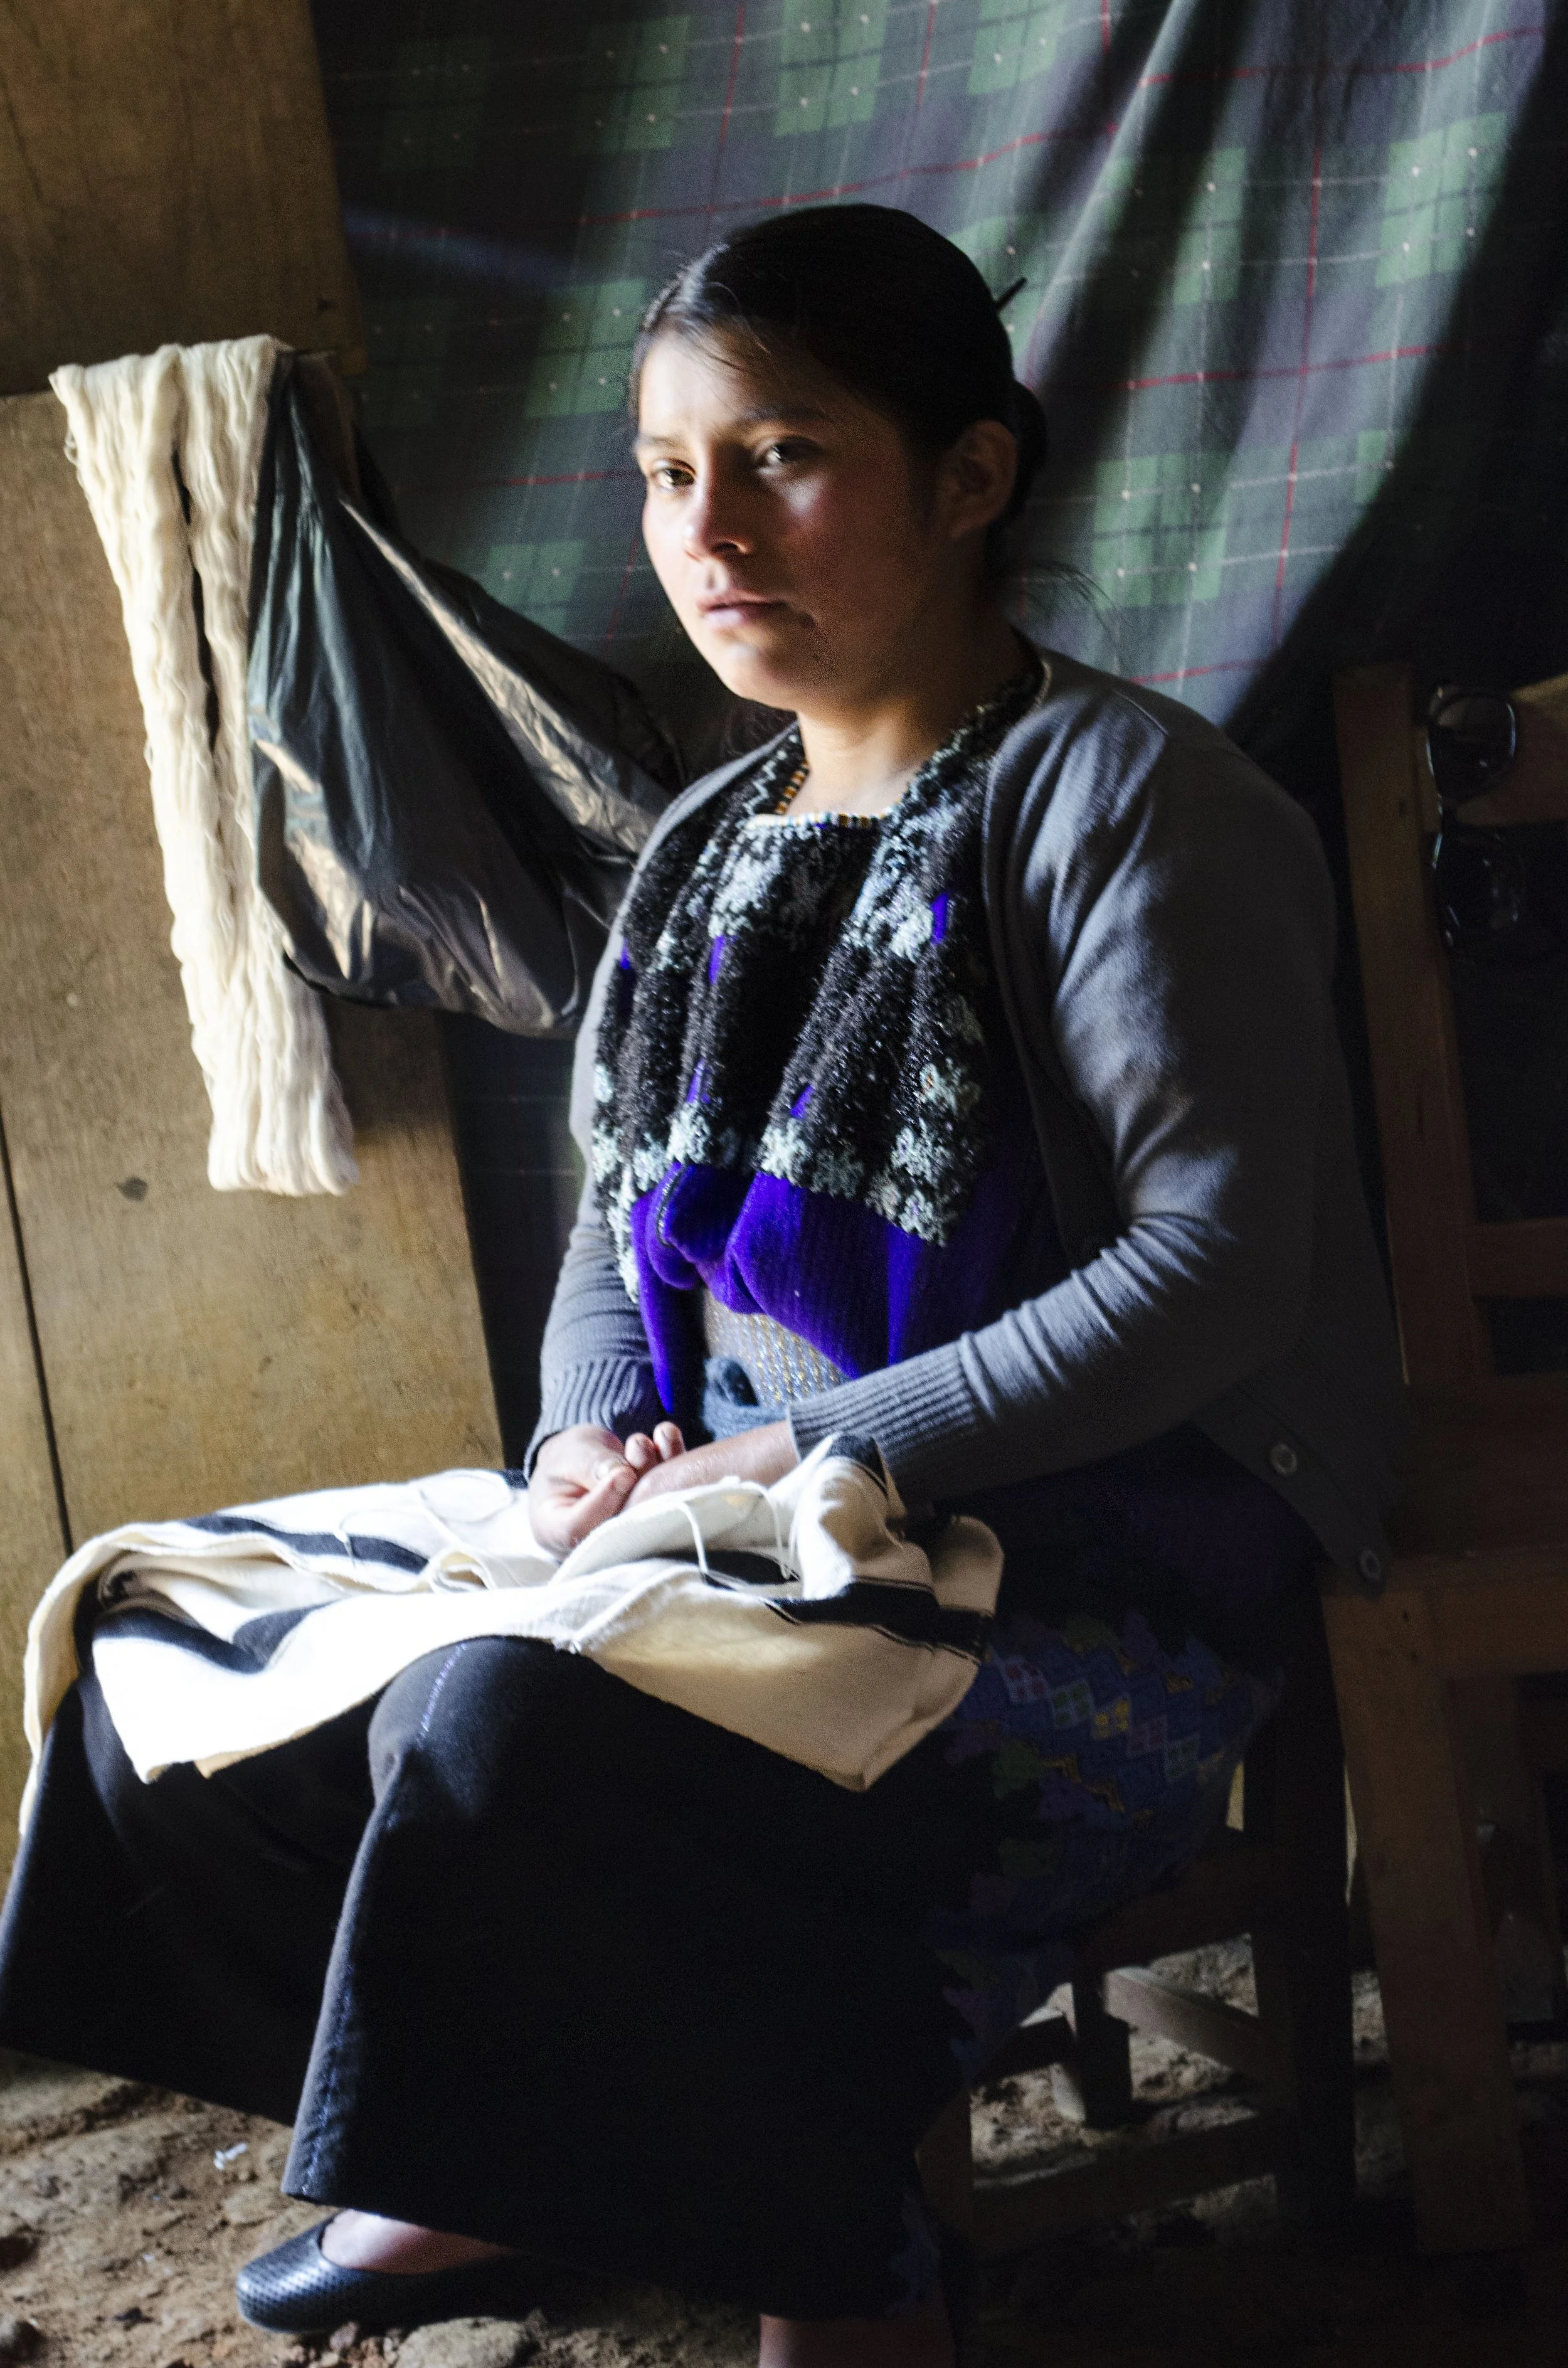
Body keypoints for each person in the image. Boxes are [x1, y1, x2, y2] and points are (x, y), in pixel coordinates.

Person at [0, 205, 1407, 2367]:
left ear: (970, 476)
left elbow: (1210, 1270)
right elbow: (610, 1221)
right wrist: (582, 1437)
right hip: (746, 1529)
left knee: (528, 1730)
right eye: (669, 472)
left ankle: (800, 2272)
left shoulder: (1131, 806)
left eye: (783, 456)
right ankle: (484, 2148)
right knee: (164, 1637)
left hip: (1085, 1562)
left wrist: (815, 1444)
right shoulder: (706, 844)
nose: (708, 526)